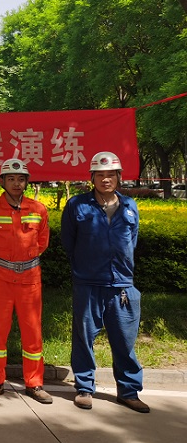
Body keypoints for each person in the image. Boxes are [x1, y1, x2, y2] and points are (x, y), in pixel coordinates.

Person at [61, 151, 148, 413]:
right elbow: (68, 242)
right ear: (92, 178)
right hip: (88, 282)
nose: (106, 179)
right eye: (100, 175)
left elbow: (131, 241)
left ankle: (129, 391)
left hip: (122, 284)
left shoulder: (130, 205)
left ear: (119, 177)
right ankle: (84, 388)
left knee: (124, 340)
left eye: (111, 174)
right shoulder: (77, 205)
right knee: (84, 338)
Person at [0, 158, 52, 404]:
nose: (16, 183)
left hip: (30, 278)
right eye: (11, 179)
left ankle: (34, 383)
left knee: (32, 331)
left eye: (21, 179)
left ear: (27, 182)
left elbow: (42, 242)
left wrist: (24, 260)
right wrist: (2, 263)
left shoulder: (38, 209)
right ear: (2, 182)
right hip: (0, 277)